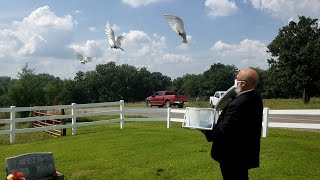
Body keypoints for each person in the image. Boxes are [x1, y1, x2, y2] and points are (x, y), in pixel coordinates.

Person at [202, 68, 263, 180]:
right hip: (243, 152)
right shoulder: (255, 97)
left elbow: (225, 130)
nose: (235, 80)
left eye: (237, 78)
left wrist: (205, 128)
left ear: (243, 84)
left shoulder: (240, 103)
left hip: (233, 154)